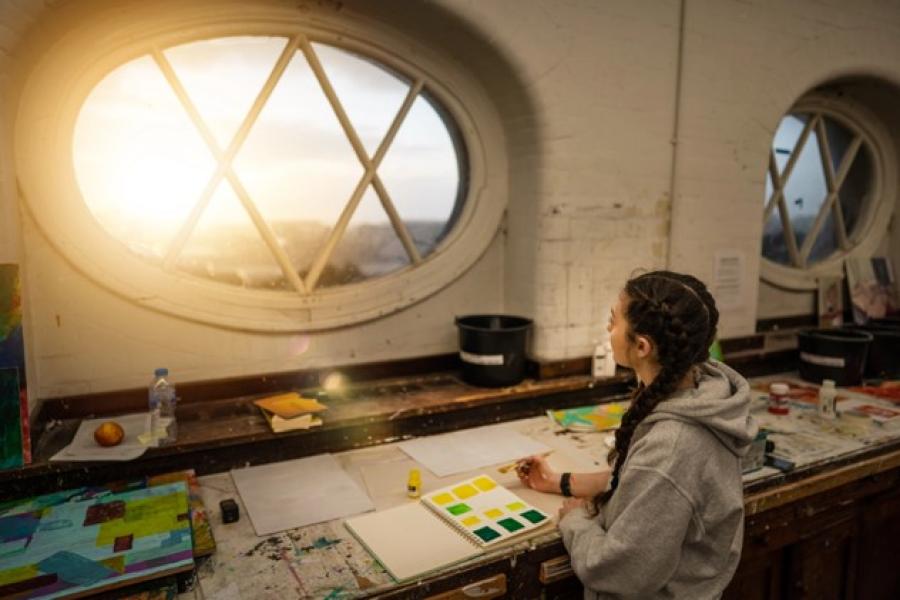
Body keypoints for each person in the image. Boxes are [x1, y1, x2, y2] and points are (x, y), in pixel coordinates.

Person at [518, 270, 757, 599]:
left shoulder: (673, 445)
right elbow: (640, 482)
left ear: (642, 346)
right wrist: (560, 481)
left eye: (613, 321)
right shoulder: (697, 394)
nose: (608, 329)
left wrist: (575, 522)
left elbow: (619, 571)